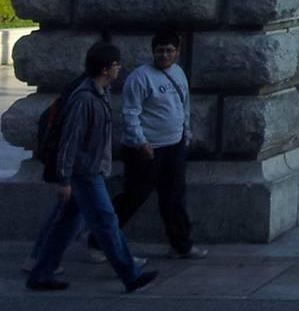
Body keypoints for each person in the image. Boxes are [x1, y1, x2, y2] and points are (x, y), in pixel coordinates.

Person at [25, 43, 159, 293]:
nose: (119, 68)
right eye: (116, 64)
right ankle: (131, 275)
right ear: (106, 69)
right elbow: (70, 142)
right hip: (84, 173)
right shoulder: (85, 99)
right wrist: (64, 180)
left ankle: (40, 274)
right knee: (107, 221)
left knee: (65, 224)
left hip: (89, 170)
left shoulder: (100, 92)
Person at [111, 31, 205, 259]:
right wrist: (140, 142)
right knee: (134, 196)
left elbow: (184, 105)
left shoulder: (178, 73)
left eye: (169, 51)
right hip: (147, 149)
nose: (164, 55)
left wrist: (186, 134)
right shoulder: (140, 77)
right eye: (160, 51)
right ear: (153, 52)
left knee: (175, 197)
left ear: (177, 52)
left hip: (175, 145)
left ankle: (181, 245)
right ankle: (98, 238)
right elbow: (131, 113)